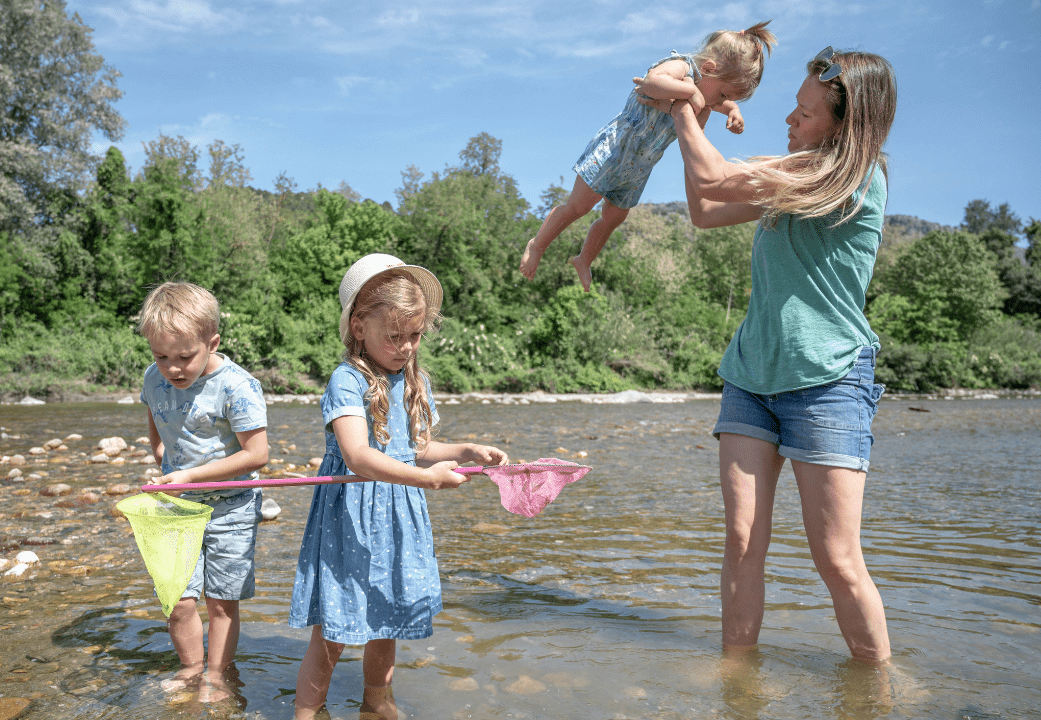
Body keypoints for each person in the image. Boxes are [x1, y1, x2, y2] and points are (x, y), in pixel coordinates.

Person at [637, 46, 897, 662]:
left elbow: (713, 178)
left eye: (805, 114)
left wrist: (684, 102)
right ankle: (737, 682)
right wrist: (689, 118)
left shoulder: (851, 176)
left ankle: (878, 691)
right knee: (742, 537)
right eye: (794, 107)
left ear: (844, 123)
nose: (790, 119)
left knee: (836, 558)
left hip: (829, 379)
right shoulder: (795, 172)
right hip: (752, 375)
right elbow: (704, 210)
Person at [289, 253, 509, 720]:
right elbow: (358, 455)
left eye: (415, 335)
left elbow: (419, 448)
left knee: (386, 615)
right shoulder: (347, 380)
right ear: (358, 327)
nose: (407, 346)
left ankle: (376, 699)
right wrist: (427, 479)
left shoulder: (415, 381)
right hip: (352, 512)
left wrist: (465, 450)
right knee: (335, 624)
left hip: (397, 513)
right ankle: (307, 710)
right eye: (394, 336)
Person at [519, 21, 776, 291]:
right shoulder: (683, 67)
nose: (716, 103)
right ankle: (537, 245)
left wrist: (733, 109)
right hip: (617, 148)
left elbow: (713, 100)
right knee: (579, 206)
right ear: (709, 68)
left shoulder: (707, 90)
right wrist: (689, 91)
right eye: (723, 93)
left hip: (640, 166)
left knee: (614, 217)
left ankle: (584, 259)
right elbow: (652, 81)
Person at [137, 281, 270, 702]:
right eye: (161, 357)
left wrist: (190, 477)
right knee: (178, 599)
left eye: (184, 357)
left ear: (212, 343)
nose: (173, 368)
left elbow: (257, 454)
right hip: (178, 507)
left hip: (231, 508)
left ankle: (217, 673)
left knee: (220, 601)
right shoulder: (153, 380)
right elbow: (157, 432)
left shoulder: (237, 386)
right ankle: (191, 666)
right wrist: (166, 463)